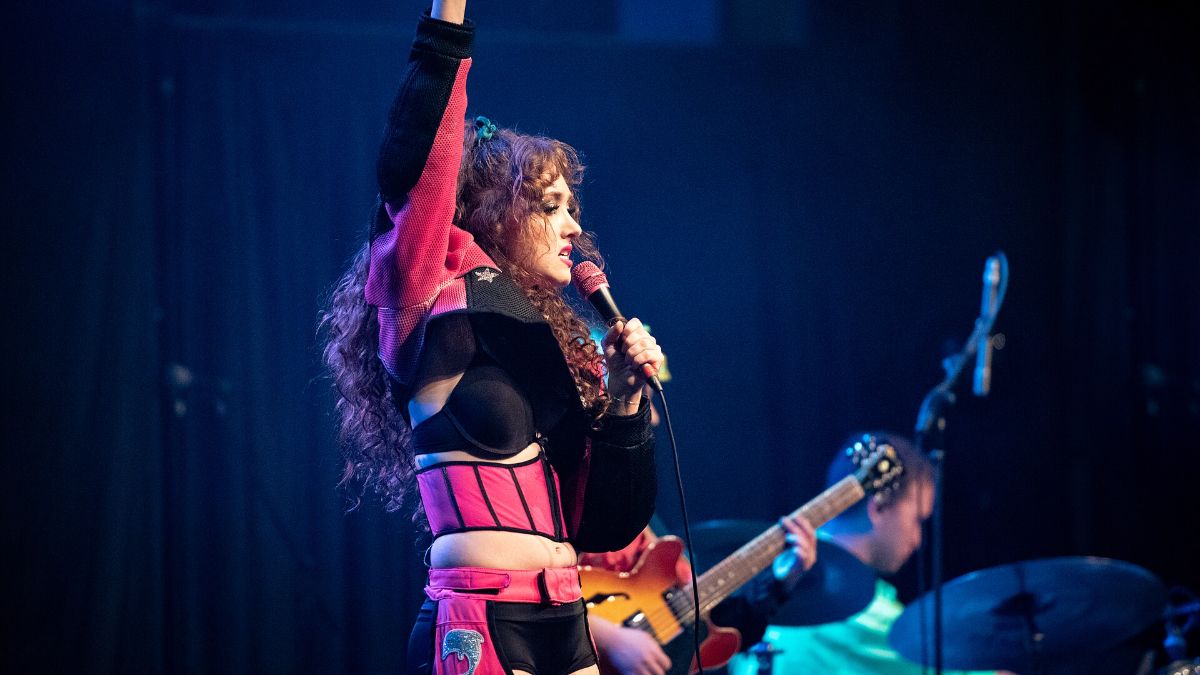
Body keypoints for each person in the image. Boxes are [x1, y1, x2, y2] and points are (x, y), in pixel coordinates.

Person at [321, 1, 664, 673]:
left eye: (574, 209)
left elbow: (600, 524)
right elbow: (420, 165)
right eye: (551, 207)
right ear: (492, 211)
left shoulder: (547, 343)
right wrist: (448, 16)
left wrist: (625, 404)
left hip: (566, 616)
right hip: (479, 619)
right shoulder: (428, 292)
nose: (572, 228)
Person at [726, 432, 1005, 675]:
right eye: (918, 520)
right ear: (879, 508)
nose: (918, 540)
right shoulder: (855, 609)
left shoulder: (765, 574)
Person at [583, 516, 818, 675]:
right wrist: (608, 638)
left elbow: (721, 628)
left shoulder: (639, 501)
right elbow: (548, 599)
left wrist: (779, 580)